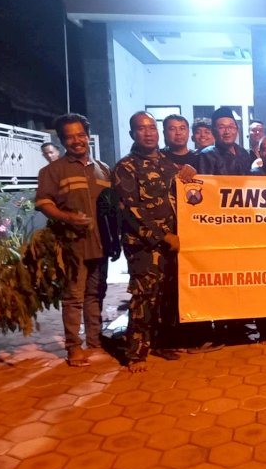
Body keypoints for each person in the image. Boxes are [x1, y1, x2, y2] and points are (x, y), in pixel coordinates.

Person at [113, 111, 195, 372]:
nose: (148, 133)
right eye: (141, 128)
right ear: (132, 134)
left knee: (168, 296)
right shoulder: (126, 167)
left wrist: (190, 174)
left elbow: (184, 193)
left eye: (151, 128)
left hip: (173, 244)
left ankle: (162, 343)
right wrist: (162, 236)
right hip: (144, 246)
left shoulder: (168, 164)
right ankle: (136, 353)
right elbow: (130, 210)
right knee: (144, 298)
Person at [35, 113, 112, 367]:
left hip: (101, 242)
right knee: (73, 297)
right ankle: (73, 347)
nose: (77, 140)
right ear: (62, 140)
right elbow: (44, 203)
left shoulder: (103, 169)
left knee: (96, 293)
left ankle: (95, 341)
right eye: (70, 137)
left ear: (88, 136)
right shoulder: (52, 171)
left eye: (81, 135)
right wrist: (67, 217)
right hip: (71, 244)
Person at [197, 107, 252, 175]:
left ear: (237, 129)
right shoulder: (207, 155)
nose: (227, 132)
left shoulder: (244, 153)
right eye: (221, 127)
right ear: (213, 131)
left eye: (231, 127)